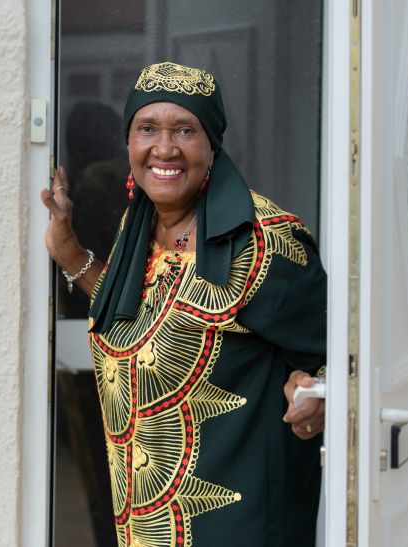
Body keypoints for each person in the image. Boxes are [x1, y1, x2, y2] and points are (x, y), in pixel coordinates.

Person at [41, 61, 327, 546]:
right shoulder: (142, 225)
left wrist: (316, 393)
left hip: (241, 521)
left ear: (211, 145)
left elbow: (340, 348)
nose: (164, 148)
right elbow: (145, 315)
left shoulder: (264, 244)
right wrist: (69, 252)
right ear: (129, 142)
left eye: (185, 130)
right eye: (147, 128)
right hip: (148, 525)